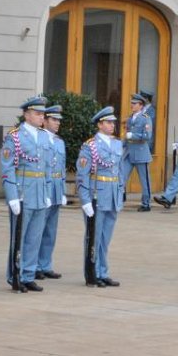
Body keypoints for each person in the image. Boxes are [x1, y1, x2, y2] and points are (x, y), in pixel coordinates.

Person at [1, 95, 52, 292]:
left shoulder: (43, 136)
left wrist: (47, 191)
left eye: (42, 114)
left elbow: (46, 167)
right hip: (23, 191)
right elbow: (7, 169)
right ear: (27, 114)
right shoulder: (15, 137)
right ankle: (15, 274)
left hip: (39, 190)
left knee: (35, 237)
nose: (41, 117)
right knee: (19, 236)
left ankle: (28, 274)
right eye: (38, 113)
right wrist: (12, 196)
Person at [77, 106, 123, 287]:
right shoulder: (90, 146)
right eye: (108, 122)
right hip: (97, 195)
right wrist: (85, 200)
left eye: (113, 122)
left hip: (112, 196)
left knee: (106, 238)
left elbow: (119, 171)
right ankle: (92, 273)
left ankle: (103, 272)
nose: (112, 125)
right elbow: (82, 175)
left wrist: (120, 192)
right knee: (94, 237)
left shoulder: (117, 144)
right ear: (100, 124)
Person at [37, 104, 66, 280]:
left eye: (58, 121)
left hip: (55, 187)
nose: (57, 124)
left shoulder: (59, 141)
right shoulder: (39, 138)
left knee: (50, 230)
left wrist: (62, 191)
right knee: (38, 229)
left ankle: (45, 264)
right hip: (43, 186)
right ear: (44, 121)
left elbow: (61, 168)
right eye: (54, 120)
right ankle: (34, 266)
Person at [121, 93, 152, 212]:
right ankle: (119, 199)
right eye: (132, 103)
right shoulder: (130, 118)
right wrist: (120, 145)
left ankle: (146, 203)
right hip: (129, 152)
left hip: (140, 152)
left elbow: (147, 136)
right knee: (121, 177)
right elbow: (127, 136)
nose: (132, 105)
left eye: (134, 104)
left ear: (141, 105)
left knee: (145, 181)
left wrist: (133, 135)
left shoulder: (145, 118)